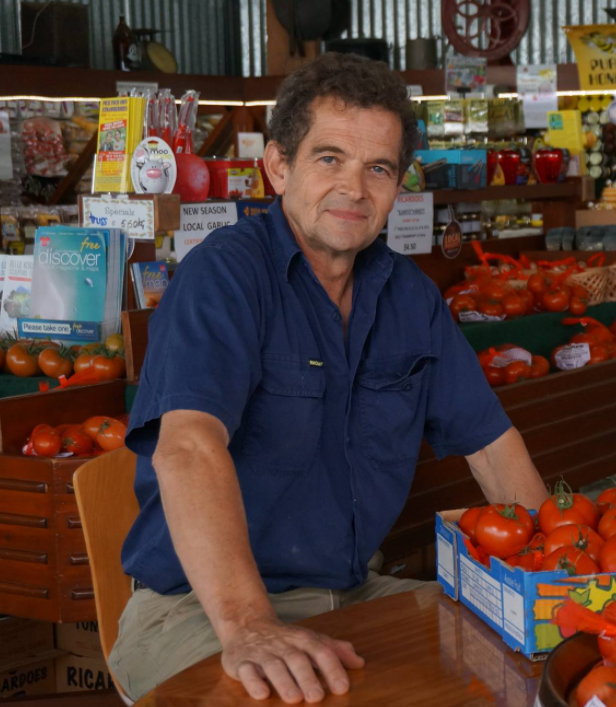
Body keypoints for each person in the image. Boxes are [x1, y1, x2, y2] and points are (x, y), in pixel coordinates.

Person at [109, 53, 548, 704]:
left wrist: (561, 572)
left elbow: (491, 443)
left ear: (399, 184)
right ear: (278, 165)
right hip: (200, 611)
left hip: (354, 592)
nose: (354, 188)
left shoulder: (408, 296)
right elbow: (188, 447)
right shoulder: (225, 278)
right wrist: (252, 625)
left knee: (527, 658)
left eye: (378, 169)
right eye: (329, 159)